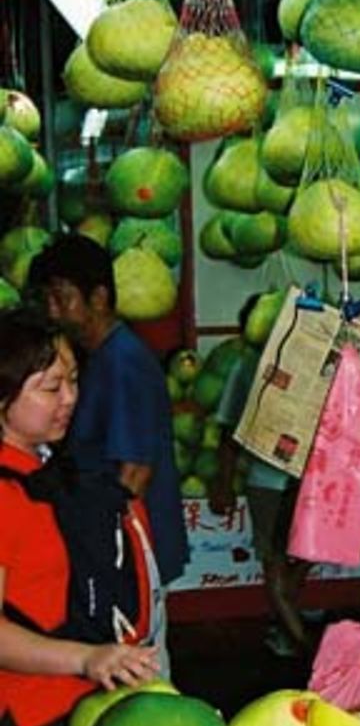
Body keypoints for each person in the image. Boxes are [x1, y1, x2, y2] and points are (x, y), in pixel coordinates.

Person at [0, 309, 162, 726]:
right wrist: (86, 658)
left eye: (73, 381)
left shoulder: (46, 472)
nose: (69, 398)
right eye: (50, 387)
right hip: (23, 725)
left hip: (80, 709)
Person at [29, 234, 188, 588]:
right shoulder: (98, 358)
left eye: (63, 298)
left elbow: (134, 474)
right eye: (48, 299)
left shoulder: (124, 364)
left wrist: (105, 555)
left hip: (126, 552)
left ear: (98, 298)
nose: (53, 311)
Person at [207, 295, 310, 658]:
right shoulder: (249, 366)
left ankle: (289, 627)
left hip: (305, 483)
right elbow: (229, 432)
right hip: (272, 483)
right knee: (278, 561)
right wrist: (223, 481)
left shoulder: (307, 364)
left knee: (293, 558)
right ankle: (301, 644)